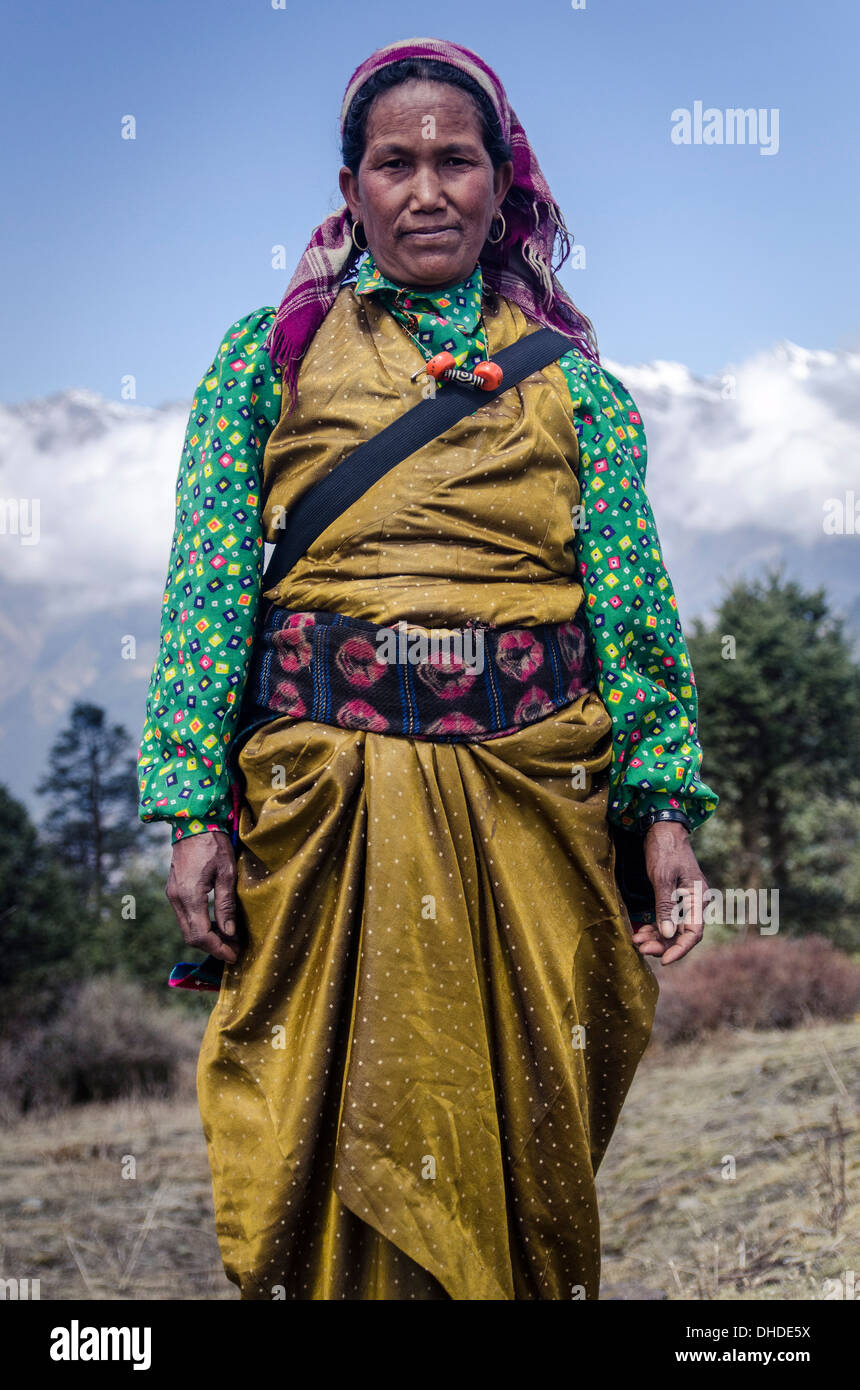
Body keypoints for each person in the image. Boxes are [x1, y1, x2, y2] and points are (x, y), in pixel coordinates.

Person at [137, 36, 717, 1301]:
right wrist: (190, 813)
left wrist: (663, 807)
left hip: (530, 804)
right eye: (393, 163)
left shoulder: (579, 391)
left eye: (456, 159)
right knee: (316, 1122)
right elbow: (207, 589)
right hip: (323, 806)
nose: (426, 189)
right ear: (349, 191)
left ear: (500, 183)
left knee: (516, 1128)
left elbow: (632, 610)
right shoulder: (267, 360)